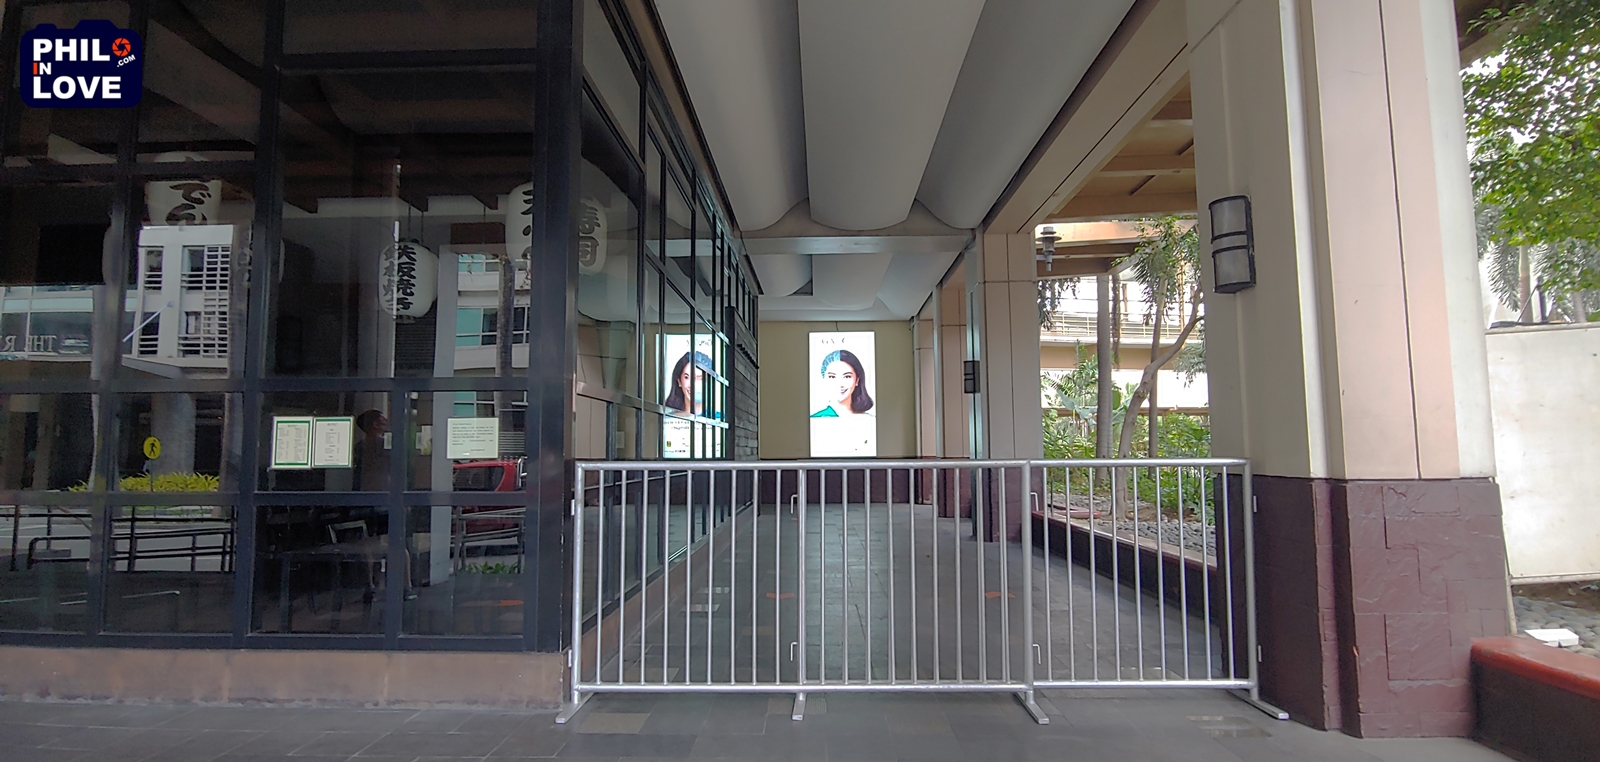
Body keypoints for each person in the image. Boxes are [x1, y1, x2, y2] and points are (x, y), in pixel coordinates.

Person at [810, 349, 874, 418]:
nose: (840, 384)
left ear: (857, 380)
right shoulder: (816, 419)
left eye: (847, 376)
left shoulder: (869, 419)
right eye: (832, 377)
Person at [663, 351, 714, 416]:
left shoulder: (719, 418)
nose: (693, 385)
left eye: (701, 379)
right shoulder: (668, 418)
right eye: (687, 377)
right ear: (679, 381)